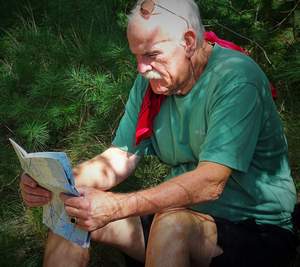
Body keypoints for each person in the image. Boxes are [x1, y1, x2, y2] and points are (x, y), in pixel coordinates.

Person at [20, 0, 297, 266]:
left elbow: (210, 183)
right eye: (137, 56)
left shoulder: (236, 79)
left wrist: (117, 206)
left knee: (171, 224)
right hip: (181, 216)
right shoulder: (155, 82)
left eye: (151, 55)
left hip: (254, 230)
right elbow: (120, 157)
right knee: (73, 211)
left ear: (188, 42)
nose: (142, 69)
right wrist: (55, 181)